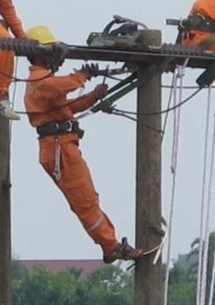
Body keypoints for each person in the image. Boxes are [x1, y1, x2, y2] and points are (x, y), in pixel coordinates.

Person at [23, 25, 143, 264]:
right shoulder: (40, 81)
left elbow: (67, 108)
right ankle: (111, 246)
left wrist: (93, 96)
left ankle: (110, 244)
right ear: (37, 53)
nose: (54, 56)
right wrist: (83, 76)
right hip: (59, 149)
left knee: (87, 199)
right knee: (85, 201)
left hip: (62, 146)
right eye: (49, 51)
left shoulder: (44, 81)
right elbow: (64, 85)